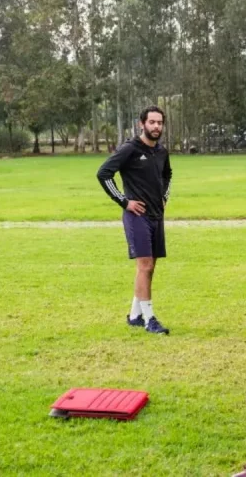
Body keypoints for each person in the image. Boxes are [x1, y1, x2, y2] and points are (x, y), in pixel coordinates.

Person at [97, 105, 171, 335]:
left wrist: (164, 197)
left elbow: (167, 175)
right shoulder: (130, 149)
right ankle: (150, 319)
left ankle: (135, 315)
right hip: (136, 216)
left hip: (156, 216)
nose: (156, 126)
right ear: (142, 124)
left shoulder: (161, 152)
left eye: (159, 123)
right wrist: (124, 201)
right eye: (152, 122)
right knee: (145, 265)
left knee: (150, 268)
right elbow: (104, 173)